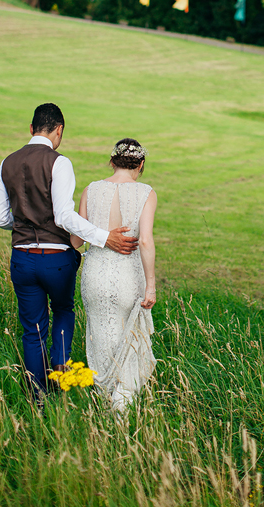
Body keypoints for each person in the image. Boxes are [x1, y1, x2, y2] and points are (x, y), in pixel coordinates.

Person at [0, 103, 138, 399]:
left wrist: (24, 223)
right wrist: (104, 237)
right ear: (58, 130)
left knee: (32, 330)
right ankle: (60, 373)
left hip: (21, 258)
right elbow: (63, 216)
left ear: (31, 128)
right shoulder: (59, 163)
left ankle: (38, 397)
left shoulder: (6, 163)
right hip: (56, 258)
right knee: (63, 310)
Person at [71, 138, 157, 411]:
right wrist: (151, 285)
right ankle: (122, 406)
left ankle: (105, 400)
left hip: (95, 275)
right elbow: (145, 241)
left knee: (101, 339)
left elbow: (75, 241)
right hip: (128, 276)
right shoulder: (146, 193)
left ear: (112, 161)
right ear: (140, 165)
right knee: (129, 340)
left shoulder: (91, 190)